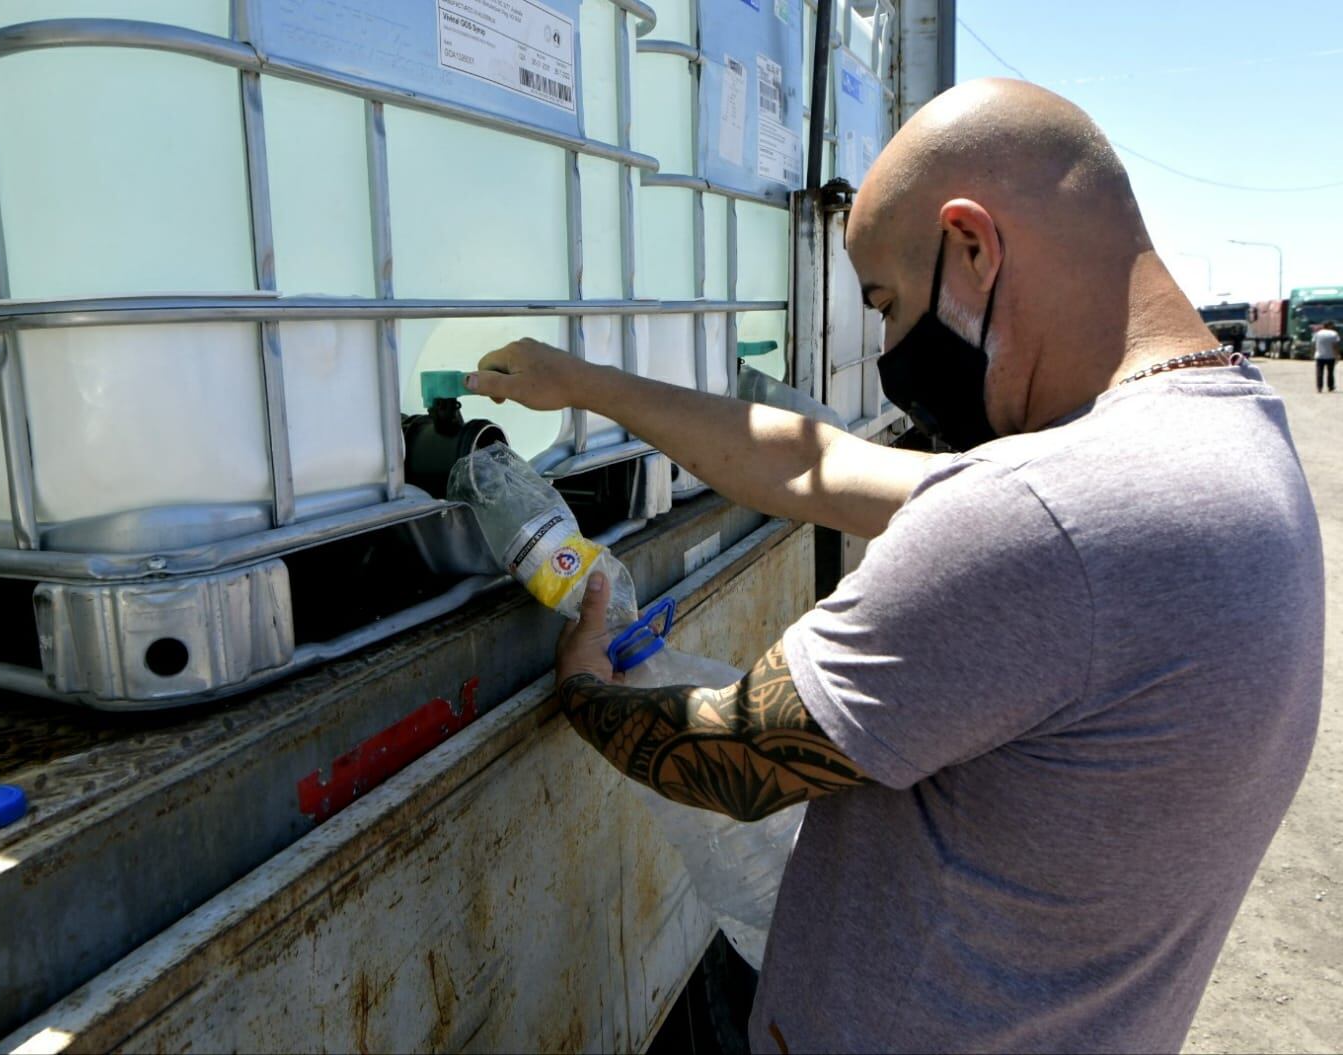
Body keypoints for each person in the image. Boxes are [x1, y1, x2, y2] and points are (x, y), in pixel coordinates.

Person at [465, 79, 1322, 1053]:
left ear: (972, 246)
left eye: (886, 302)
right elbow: (819, 463)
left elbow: (734, 759)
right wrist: (581, 383)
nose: (884, 348)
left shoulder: (1047, 523)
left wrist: (582, 685)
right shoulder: (1213, 442)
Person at [1315, 320, 1339, 392]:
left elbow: (1313, 343)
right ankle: (1330, 386)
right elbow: (1335, 346)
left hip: (1320, 356)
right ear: (1330, 326)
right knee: (1330, 372)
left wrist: (1313, 353)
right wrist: (1337, 355)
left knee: (1319, 372)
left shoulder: (1318, 333)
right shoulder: (1334, 333)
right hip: (1330, 356)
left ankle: (1319, 387)